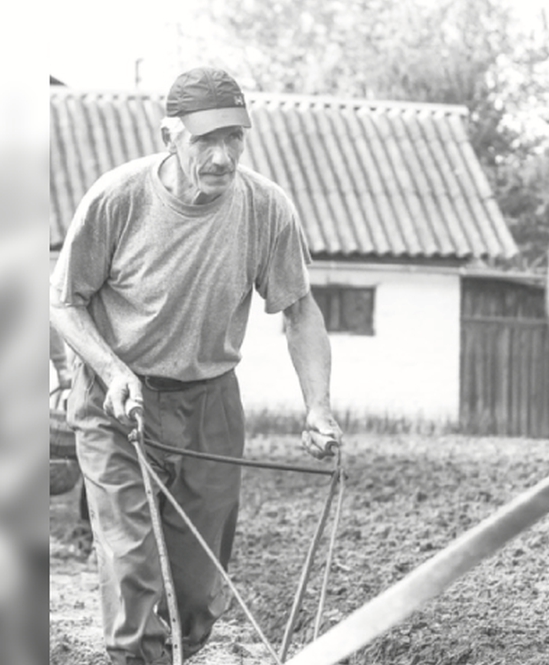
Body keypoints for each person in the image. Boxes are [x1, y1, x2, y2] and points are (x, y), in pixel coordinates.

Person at [49, 67, 342, 665]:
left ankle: (185, 650)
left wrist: (317, 405)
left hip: (209, 402)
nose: (223, 155)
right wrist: (112, 371)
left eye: (235, 137)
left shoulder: (265, 208)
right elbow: (64, 302)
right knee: (133, 565)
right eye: (206, 139)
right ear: (168, 135)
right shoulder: (118, 199)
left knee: (196, 588)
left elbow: (300, 311)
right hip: (117, 401)